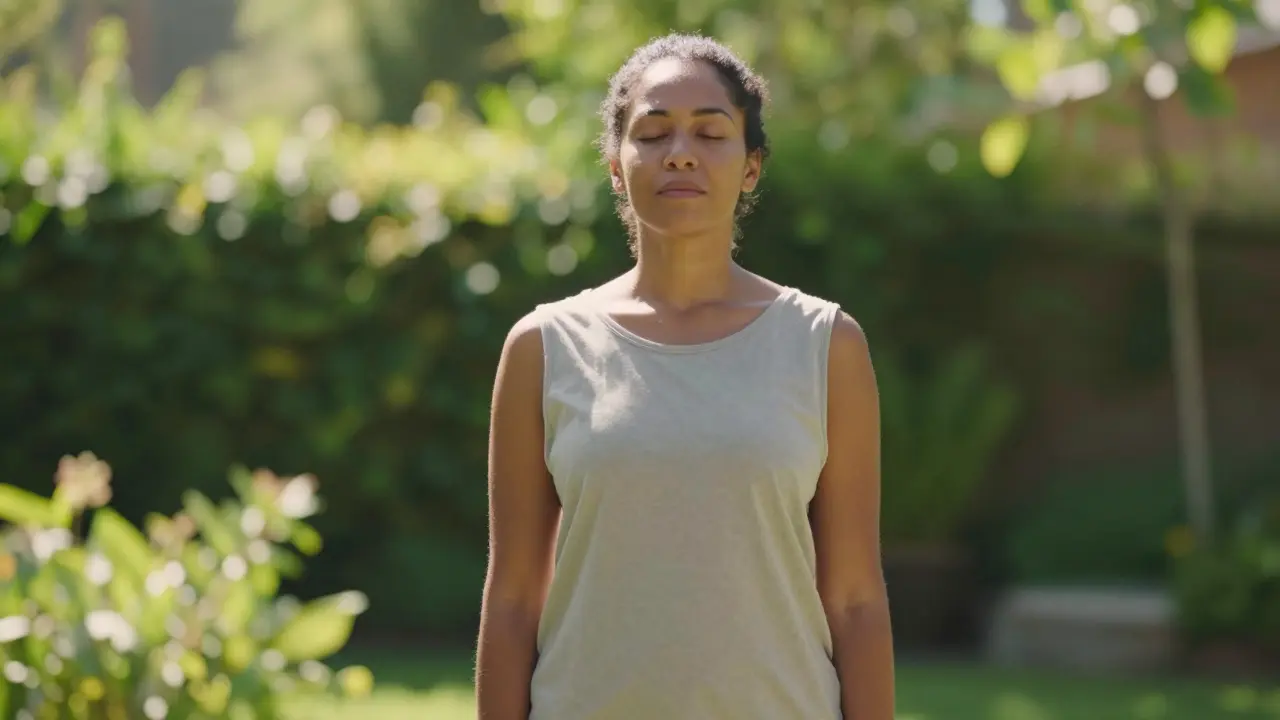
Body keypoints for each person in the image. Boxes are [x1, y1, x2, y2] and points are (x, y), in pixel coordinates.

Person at [476, 32, 894, 720]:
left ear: (751, 166)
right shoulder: (543, 347)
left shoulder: (825, 344)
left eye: (711, 132)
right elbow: (515, 596)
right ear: (616, 164)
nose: (680, 152)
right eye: (653, 132)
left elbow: (854, 598)